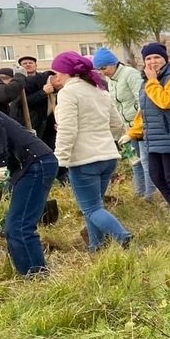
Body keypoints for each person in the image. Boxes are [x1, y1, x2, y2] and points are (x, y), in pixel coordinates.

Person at [50, 51, 132, 251]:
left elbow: (68, 130)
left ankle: (123, 236)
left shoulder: (68, 93)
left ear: (68, 72)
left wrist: (58, 159)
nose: (55, 77)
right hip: (108, 157)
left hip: (84, 160)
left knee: (91, 208)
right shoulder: (99, 90)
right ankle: (96, 247)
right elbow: (117, 124)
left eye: (57, 72)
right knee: (94, 207)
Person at [0, 103, 59, 275]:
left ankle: (37, 278)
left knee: (18, 228)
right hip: (28, 164)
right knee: (13, 227)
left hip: (35, 163)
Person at [128, 42, 170, 224]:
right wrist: (133, 132)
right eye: (148, 58)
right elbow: (146, 110)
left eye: (156, 57)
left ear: (165, 58)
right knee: (156, 176)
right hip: (153, 137)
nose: (152, 61)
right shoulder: (147, 81)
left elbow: (166, 101)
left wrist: (153, 81)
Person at [93, 47, 152, 200]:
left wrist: (138, 125)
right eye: (99, 69)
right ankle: (139, 193)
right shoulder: (111, 80)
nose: (102, 72)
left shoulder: (130, 74)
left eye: (104, 67)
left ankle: (151, 195)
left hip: (141, 125)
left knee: (146, 161)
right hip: (126, 128)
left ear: (113, 63)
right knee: (134, 161)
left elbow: (143, 101)